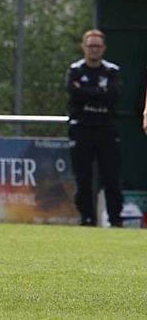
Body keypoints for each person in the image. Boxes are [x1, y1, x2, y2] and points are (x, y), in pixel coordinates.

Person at [66, 29, 122, 227]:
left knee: (111, 177)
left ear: (104, 48)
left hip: (106, 128)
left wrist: (88, 93)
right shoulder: (75, 70)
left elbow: (113, 96)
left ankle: (115, 219)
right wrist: (99, 93)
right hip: (82, 128)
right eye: (90, 46)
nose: (94, 50)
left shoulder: (112, 71)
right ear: (83, 48)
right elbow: (74, 94)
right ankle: (87, 218)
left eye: (97, 46)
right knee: (83, 177)